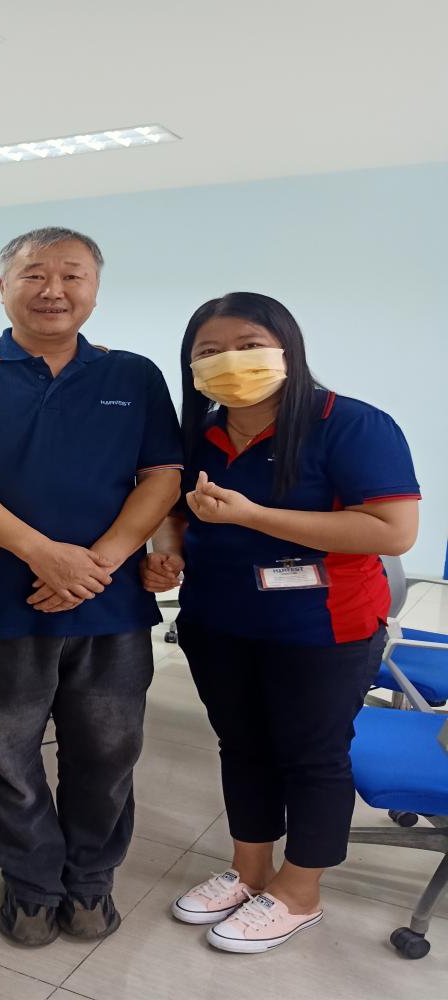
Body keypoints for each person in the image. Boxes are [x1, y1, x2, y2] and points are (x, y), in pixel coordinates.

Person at [0, 227, 183, 946]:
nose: (53, 289)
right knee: (9, 755)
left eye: (72, 275)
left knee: (108, 753)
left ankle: (90, 882)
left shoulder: (133, 375)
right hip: (6, 603)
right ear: (3, 287)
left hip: (111, 605)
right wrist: (43, 555)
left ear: (95, 288)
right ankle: (31, 887)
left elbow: (162, 477)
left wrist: (99, 563)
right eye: (34, 274)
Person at [141, 292, 421, 954]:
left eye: (248, 345)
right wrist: (167, 551)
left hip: (322, 628)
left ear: (287, 349)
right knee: (241, 745)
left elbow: (393, 530)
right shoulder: (199, 432)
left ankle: (300, 891)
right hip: (218, 619)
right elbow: (174, 510)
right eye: (209, 351)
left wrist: (254, 516)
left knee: (311, 754)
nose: (230, 361)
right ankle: (249, 871)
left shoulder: (351, 424)